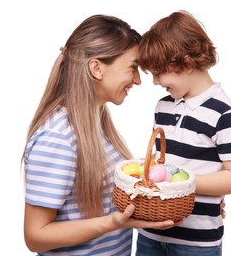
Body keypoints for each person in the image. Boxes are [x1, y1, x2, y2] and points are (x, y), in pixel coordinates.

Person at [22, 14, 176, 256]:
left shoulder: (96, 123)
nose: (137, 80)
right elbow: (36, 236)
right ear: (96, 68)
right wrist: (114, 222)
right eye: (133, 67)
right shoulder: (58, 137)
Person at [136, 10, 231, 256]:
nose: (155, 82)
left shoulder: (224, 114)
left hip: (195, 243)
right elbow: (161, 164)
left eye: (158, 73)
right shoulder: (163, 106)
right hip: (150, 232)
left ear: (186, 63)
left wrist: (180, 184)